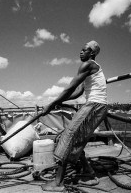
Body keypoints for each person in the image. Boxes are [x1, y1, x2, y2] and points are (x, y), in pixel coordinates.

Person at [41, 40, 108, 192]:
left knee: (69, 137)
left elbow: (70, 87)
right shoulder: (92, 68)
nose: (81, 52)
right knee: (77, 139)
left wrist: (52, 104)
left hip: (95, 106)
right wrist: (61, 101)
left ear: (92, 53)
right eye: (81, 49)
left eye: (84, 50)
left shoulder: (88, 65)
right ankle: (88, 171)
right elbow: (78, 91)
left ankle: (58, 183)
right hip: (96, 106)